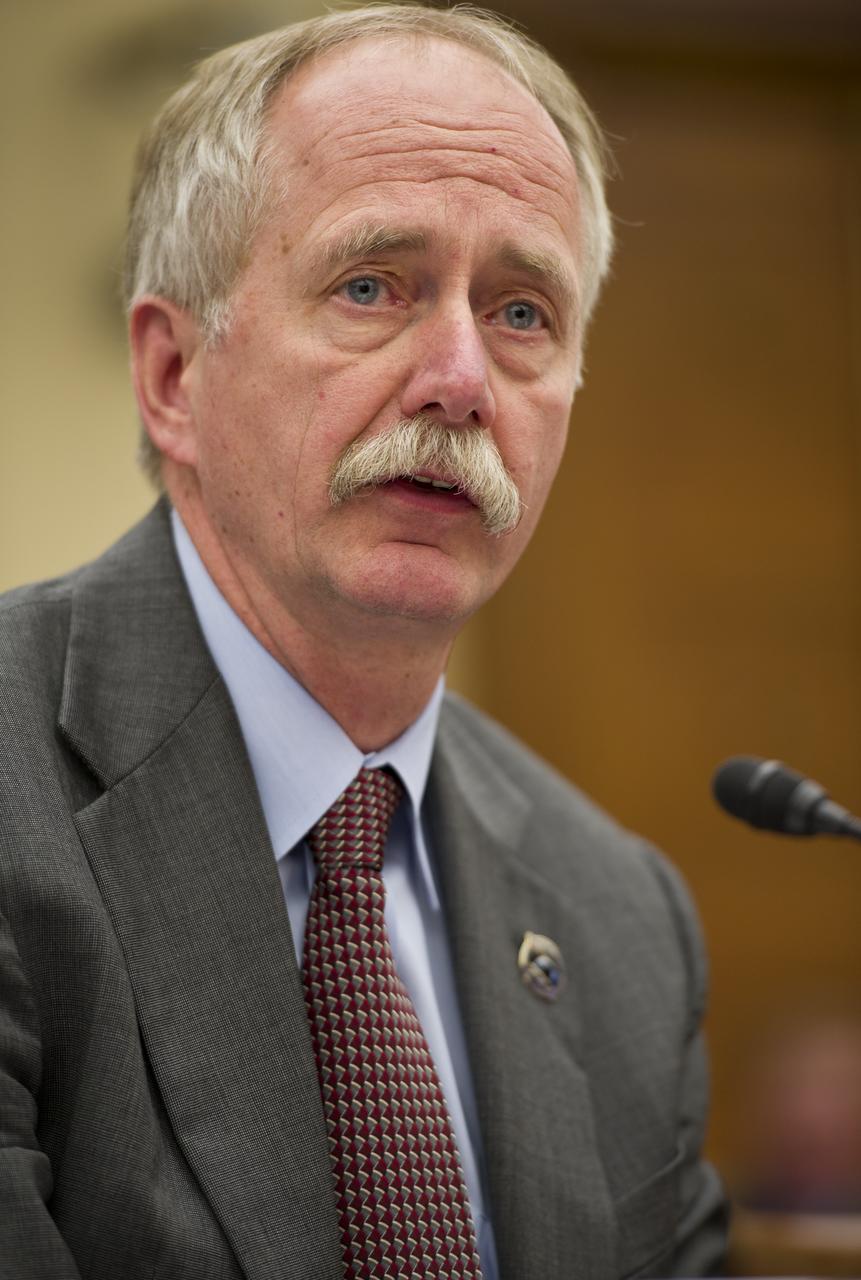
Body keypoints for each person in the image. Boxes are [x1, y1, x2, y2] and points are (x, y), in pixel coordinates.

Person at [0, 5, 728, 1277]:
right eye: (370, 285)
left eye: (521, 313)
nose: (459, 377)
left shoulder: (625, 921)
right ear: (174, 375)